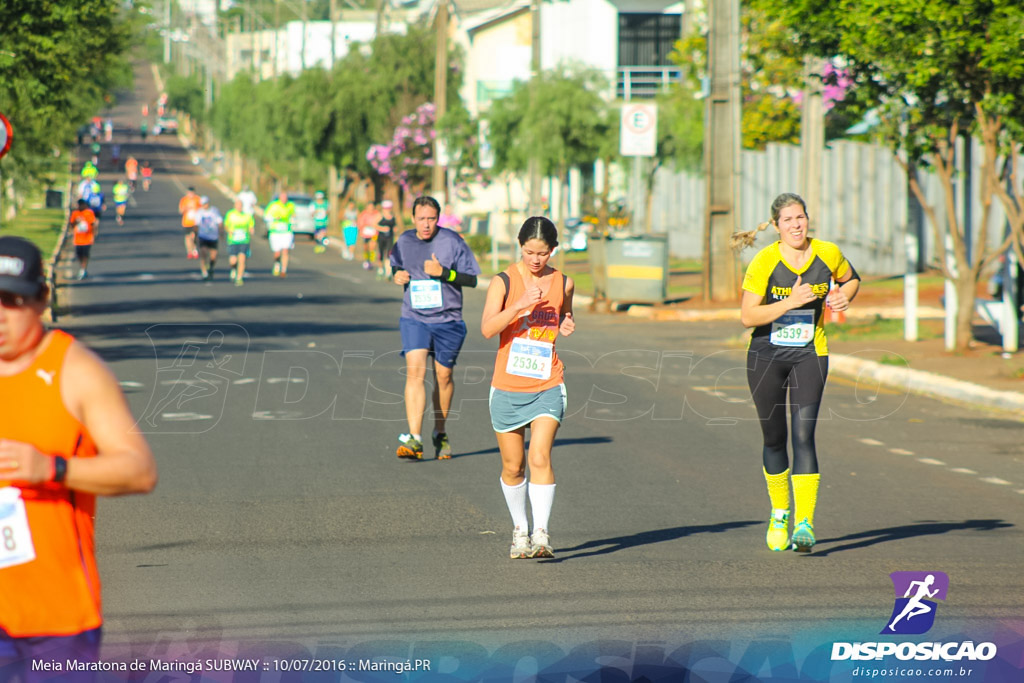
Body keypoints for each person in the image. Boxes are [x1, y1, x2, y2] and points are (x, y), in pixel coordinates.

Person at [0, 236, 157, 678]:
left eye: (13, 301)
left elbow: (139, 469)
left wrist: (51, 468)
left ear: (42, 301)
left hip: (55, 622)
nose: (0, 314)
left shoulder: (75, 371)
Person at [732, 192, 860, 553]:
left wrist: (845, 295)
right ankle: (780, 513)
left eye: (800, 218)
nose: (796, 225)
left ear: (808, 219)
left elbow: (851, 278)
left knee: (804, 435)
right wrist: (791, 301)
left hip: (810, 354)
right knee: (774, 438)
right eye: (787, 220)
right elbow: (747, 316)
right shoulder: (764, 262)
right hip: (766, 356)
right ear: (776, 226)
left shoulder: (827, 253)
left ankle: (805, 522)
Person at [481, 217, 575, 559]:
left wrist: (567, 322)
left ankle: (541, 533)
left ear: (553, 250)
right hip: (507, 385)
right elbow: (488, 329)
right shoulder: (503, 282)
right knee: (513, 465)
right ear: (520, 246)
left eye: (543, 252)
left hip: (548, 380)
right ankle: (520, 529)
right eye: (529, 251)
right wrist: (519, 305)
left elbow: (566, 313)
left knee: (540, 455)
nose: (536, 259)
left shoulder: (564, 282)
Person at [390, 196, 481, 460]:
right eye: (421, 219)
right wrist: (397, 273)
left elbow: (472, 279)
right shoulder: (405, 240)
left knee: (443, 376)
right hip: (414, 317)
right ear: (413, 218)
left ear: (438, 218)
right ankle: (415, 439)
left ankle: (439, 432)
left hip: (448, 320)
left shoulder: (452, 242)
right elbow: (395, 263)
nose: (426, 224)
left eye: (431, 218)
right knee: (415, 372)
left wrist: (444, 273)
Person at [224, 198, 254, 286]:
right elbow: (226, 225)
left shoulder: (247, 216)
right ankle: (233, 269)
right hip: (233, 241)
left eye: (241, 206)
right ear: (235, 206)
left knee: (242, 259)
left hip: (244, 241)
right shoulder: (230, 214)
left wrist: (251, 230)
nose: (239, 207)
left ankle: (239, 278)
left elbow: (251, 226)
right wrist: (229, 230)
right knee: (233, 261)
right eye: (238, 205)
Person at [264, 191, 295, 277]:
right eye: (282, 197)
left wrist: (293, 220)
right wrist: (274, 218)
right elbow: (266, 216)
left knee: (285, 250)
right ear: (279, 198)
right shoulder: (273, 205)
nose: (284, 199)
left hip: (287, 232)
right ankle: (277, 264)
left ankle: (283, 270)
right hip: (275, 232)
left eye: (285, 197)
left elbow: (293, 215)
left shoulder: (290, 205)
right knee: (277, 252)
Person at [194, 196, 223, 281]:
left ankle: (211, 267)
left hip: (213, 236)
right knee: (203, 253)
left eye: (205, 204)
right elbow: (196, 225)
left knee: (213, 256)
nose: (204, 205)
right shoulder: (199, 212)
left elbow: (220, 222)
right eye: (202, 204)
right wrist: (195, 236)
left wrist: (221, 232)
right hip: (203, 236)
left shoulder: (214, 211)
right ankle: (204, 272)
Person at [69, 199, 97, 280]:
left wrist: (93, 235)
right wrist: (76, 222)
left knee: (85, 255)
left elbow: (93, 224)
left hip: (87, 239)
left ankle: (83, 269)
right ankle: (82, 268)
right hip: (78, 239)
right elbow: (72, 224)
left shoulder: (89, 213)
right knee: (79, 255)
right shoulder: (75, 213)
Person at [375, 200, 397, 279]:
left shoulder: (393, 216)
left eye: (389, 208)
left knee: (389, 254)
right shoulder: (380, 215)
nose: (387, 210)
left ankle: (388, 271)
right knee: (381, 252)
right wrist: (382, 228)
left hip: (390, 238)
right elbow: (374, 225)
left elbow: (394, 226)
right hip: (381, 237)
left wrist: (395, 230)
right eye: (386, 208)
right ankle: (380, 269)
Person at [178, 187, 202, 259]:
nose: (190, 194)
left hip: (195, 222)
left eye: (192, 193)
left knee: (194, 236)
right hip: (186, 222)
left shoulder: (197, 199)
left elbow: (201, 209)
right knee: (188, 237)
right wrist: (186, 208)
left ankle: (194, 250)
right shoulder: (184, 200)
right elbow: (180, 211)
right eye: (189, 193)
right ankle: (189, 252)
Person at [358, 203, 380, 270]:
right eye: (369, 207)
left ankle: (371, 261)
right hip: (365, 233)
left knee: (372, 246)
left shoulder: (377, 213)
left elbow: (379, 221)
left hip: (374, 233)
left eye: (372, 207)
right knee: (366, 247)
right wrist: (363, 226)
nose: (371, 209)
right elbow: (360, 223)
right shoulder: (363, 214)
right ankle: (366, 259)